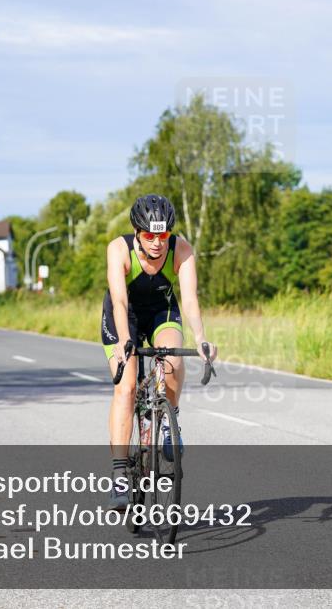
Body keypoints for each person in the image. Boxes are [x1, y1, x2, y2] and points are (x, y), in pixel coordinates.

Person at [102, 194, 217, 510]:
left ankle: (170, 422)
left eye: (163, 235)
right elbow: (120, 301)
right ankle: (120, 474)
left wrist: (201, 338)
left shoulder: (181, 248)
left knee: (172, 357)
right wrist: (126, 342)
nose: (157, 243)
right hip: (124, 314)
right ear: (137, 232)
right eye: (150, 235)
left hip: (161, 312)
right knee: (125, 389)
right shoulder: (118, 249)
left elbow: (190, 300)